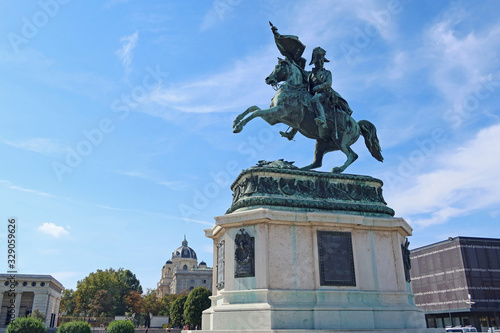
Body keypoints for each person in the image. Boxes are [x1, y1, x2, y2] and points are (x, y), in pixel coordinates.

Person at [308, 47, 332, 131]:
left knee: (315, 99)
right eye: (319, 61)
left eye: (322, 60)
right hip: (313, 93)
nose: (321, 62)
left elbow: (328, 83)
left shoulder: (327, 73)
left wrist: (318, 87)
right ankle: (293, 132)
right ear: (315, 62)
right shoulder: (310, 75)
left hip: (325, 94)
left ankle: (323, 119)